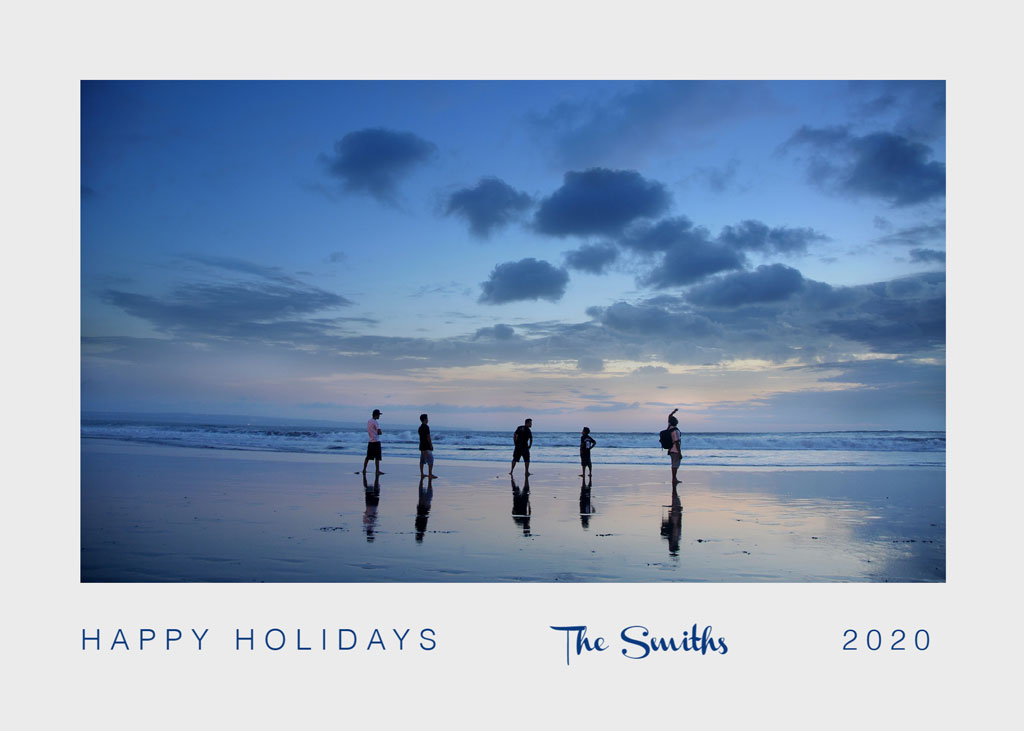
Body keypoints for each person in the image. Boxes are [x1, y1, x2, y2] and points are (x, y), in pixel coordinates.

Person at [362, 408, 384, 475]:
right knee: (377, 457)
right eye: (379, 415)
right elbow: (379, 432)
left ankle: (364, 469)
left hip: (370, 441)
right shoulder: (375, 422)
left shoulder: (369, 421)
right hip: (376, 441)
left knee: (368, 457)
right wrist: (380, 432)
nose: (379, 416)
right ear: (376, 415)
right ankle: (377, 471)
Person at [418, 413, 438, 479]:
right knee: (431, 460)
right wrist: (431, 445)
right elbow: (428, 437)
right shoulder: (426, 427)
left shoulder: (420, 427)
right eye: (427, 418)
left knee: (422, 460)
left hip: (421, 446)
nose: (428, 420)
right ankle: (430, 474)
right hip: (426, 446)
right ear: (425, 419)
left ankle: (422, 473)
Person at [666, 408, 682, 485]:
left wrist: (673, 412)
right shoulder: (675, 431)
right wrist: (679, 453)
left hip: (670, 450)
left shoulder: (669, 428)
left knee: (673, 465)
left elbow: (669, 417)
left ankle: (674, 478)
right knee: (675, 465)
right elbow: (676, 442)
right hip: (675, 450)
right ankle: (674, 479)